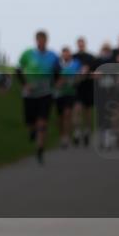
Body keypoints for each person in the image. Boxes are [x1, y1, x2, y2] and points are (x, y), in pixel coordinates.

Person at [16, 30, 60, 164]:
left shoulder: (53, 56)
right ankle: (32, 130)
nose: (41, 42)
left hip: (46, 93)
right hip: (30, 93)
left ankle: (40, 150)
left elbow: (58, 72)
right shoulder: (28, 54)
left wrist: (56, 84)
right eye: (39, 40)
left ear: (47, 41)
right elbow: (18, 69)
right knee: (30, 122)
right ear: (36, 41)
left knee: (42, 122)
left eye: (44, 40)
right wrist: (25, 84)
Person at [54, 46, 81, 148]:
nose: (66, 55)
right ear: (62, 55)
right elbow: (54, 79)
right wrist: (58, 83)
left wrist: (74, 80)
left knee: (67, 114)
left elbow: (79, 76)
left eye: (68, 53)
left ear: (70, 54)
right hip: (59, 94)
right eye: (64, 53)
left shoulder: (76, 64)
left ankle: (66, 138)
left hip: (71, 93)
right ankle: (62, 137)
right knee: (60, 118)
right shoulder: (57, 65)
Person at [72, 37, 97, 146]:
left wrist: (88, 72)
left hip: (88, 87)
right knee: (77, 109)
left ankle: (87, 131)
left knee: (87, 112)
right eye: (79, 43)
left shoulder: (91, 57)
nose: (81, 45)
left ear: (85, 44)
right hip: (77, 88)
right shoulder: (74, 57)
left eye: (82, 43)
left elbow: (96, 73)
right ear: (77, 44)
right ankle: (77, 132)